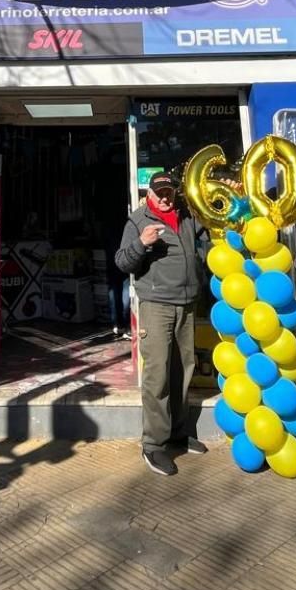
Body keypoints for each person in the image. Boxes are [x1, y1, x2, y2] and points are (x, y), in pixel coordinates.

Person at [116, 171, 208, 476]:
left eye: (169, 192)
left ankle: (178, 433)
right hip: (157, 306)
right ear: (149, 194)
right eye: (160, 193)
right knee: (157, 375)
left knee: (183, 370)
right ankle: (154, 444)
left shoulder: (187, 216)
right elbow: (122, 262)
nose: (166, 198)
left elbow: (209, 238)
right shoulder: (137, 221)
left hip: (187, 304)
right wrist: (142, 243)